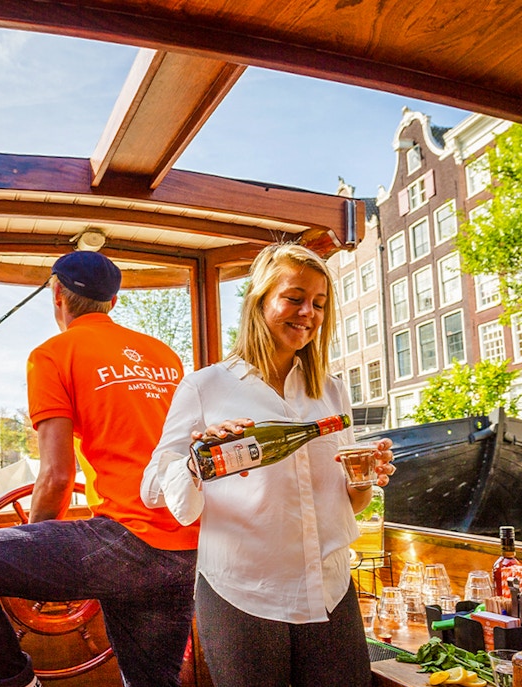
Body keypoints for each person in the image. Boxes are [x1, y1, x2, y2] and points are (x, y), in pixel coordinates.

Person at [0, 250, 198, 687]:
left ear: (57, 296)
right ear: (114, 302)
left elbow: (57, 476)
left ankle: (18, 683)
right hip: (188, 545)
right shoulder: (163, 354)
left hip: (125, 541)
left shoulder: (52, 354)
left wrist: (33, 560)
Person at [142, 243, 394, 687]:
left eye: (319, 303)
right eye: (294, 297)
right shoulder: (207, 386)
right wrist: (201, 461)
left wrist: (366, 476)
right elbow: (152, 489)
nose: (308, 313)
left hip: (331, 588)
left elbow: (350, 504)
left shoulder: (330, 391)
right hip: (242, 593)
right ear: (259, 300)